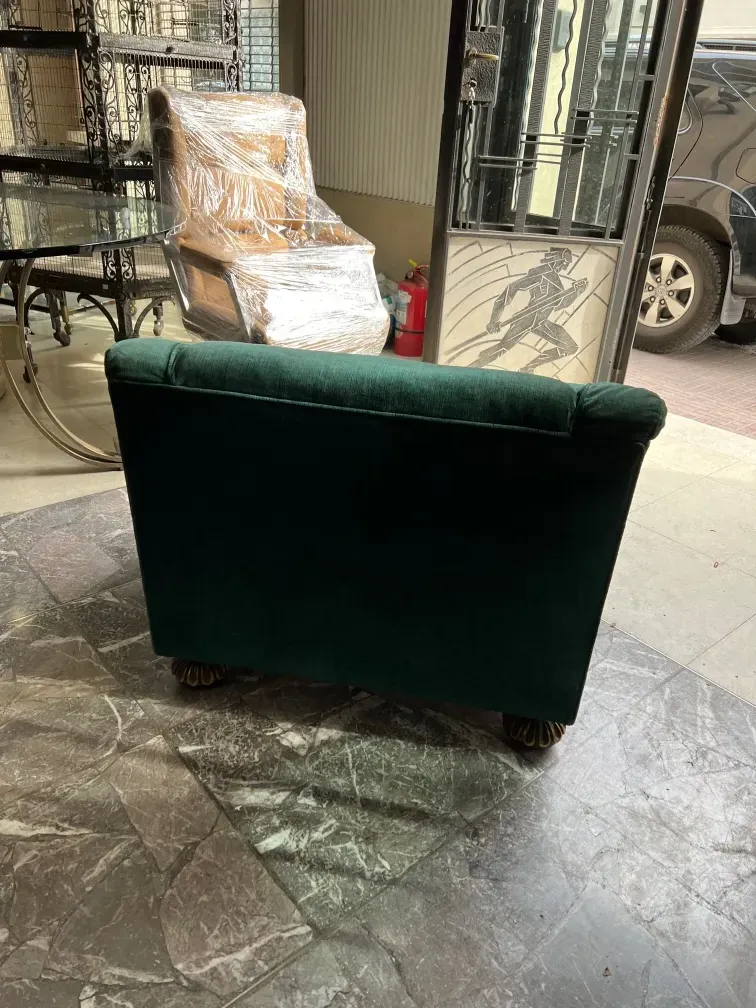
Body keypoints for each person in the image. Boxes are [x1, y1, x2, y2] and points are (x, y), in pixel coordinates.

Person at [449, 247, 587, 372]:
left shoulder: (556, 280)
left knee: (570, 346)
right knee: (502, 348)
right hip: (527, 318)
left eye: (567, 264)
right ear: (556, 258)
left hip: (541, 321)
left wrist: (577, 292)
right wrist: (494, 320)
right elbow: (512, 287)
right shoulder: (541, 273)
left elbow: (558, 304)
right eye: (564, 262)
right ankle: (468, 370)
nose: (564, 267)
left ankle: (527, 368)